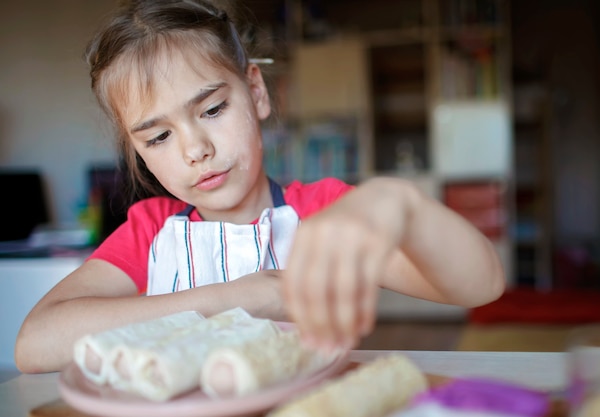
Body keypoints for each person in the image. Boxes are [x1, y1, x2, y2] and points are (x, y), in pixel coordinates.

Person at [14, 0, 505, 374]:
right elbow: (34, 344)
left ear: (256, 91)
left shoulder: (322, 214)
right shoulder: (151, 234)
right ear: (137, 151)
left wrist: (403, 205)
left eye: (212, 110)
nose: (195, 149)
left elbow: (481, 284)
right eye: (160, 136)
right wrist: (242, 296)